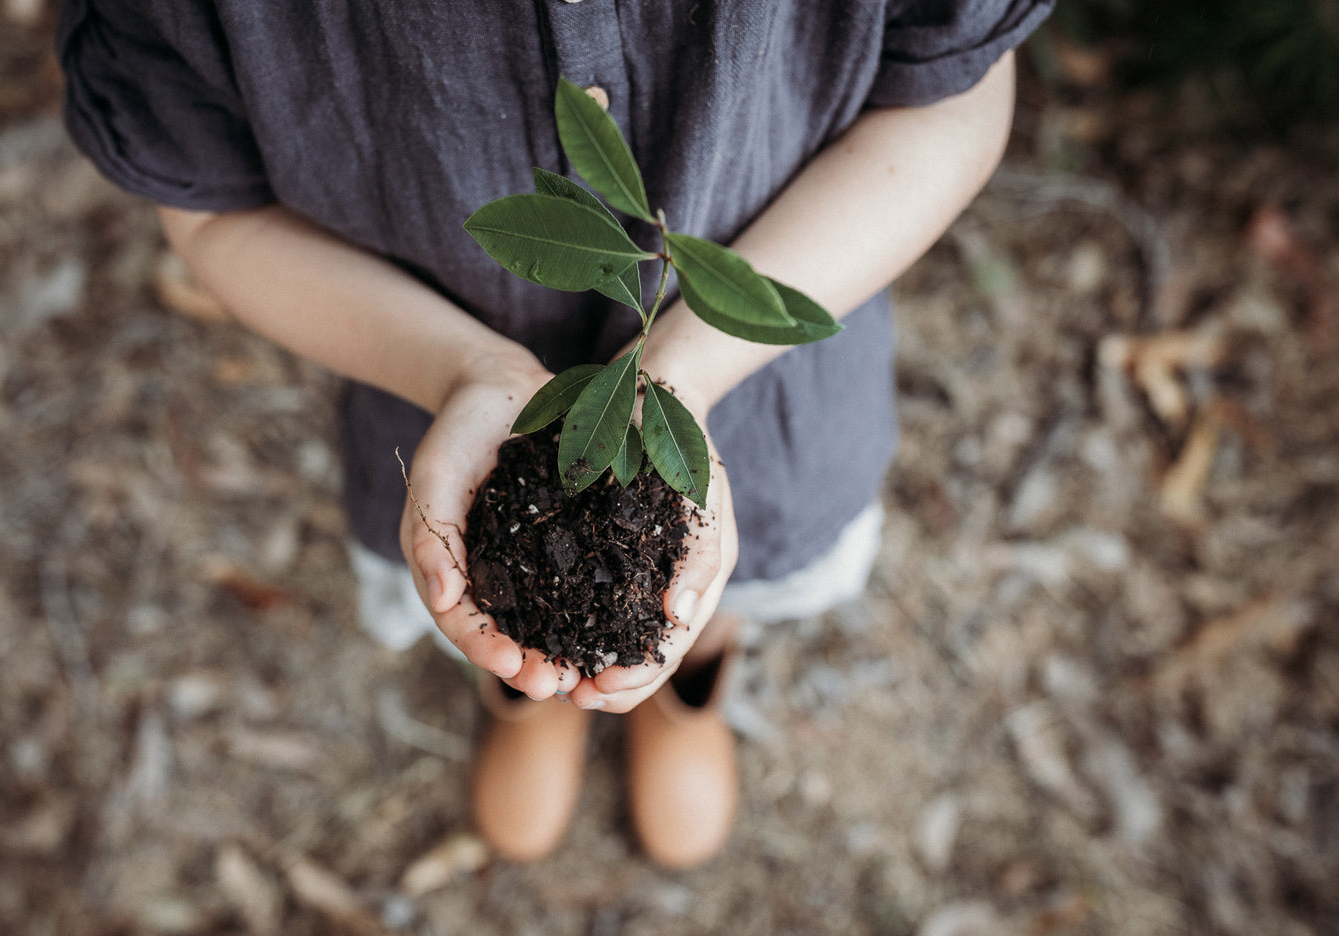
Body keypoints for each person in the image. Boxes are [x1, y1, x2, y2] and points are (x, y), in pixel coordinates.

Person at [58, 0, 1053, 868]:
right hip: (431, 372)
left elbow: (954, 97)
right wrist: (465, 372)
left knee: (711, 575)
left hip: (762, 376)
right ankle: (525, 693)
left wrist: (688, 366)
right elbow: (212, 214)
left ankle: (691, 676)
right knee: (487, 578)